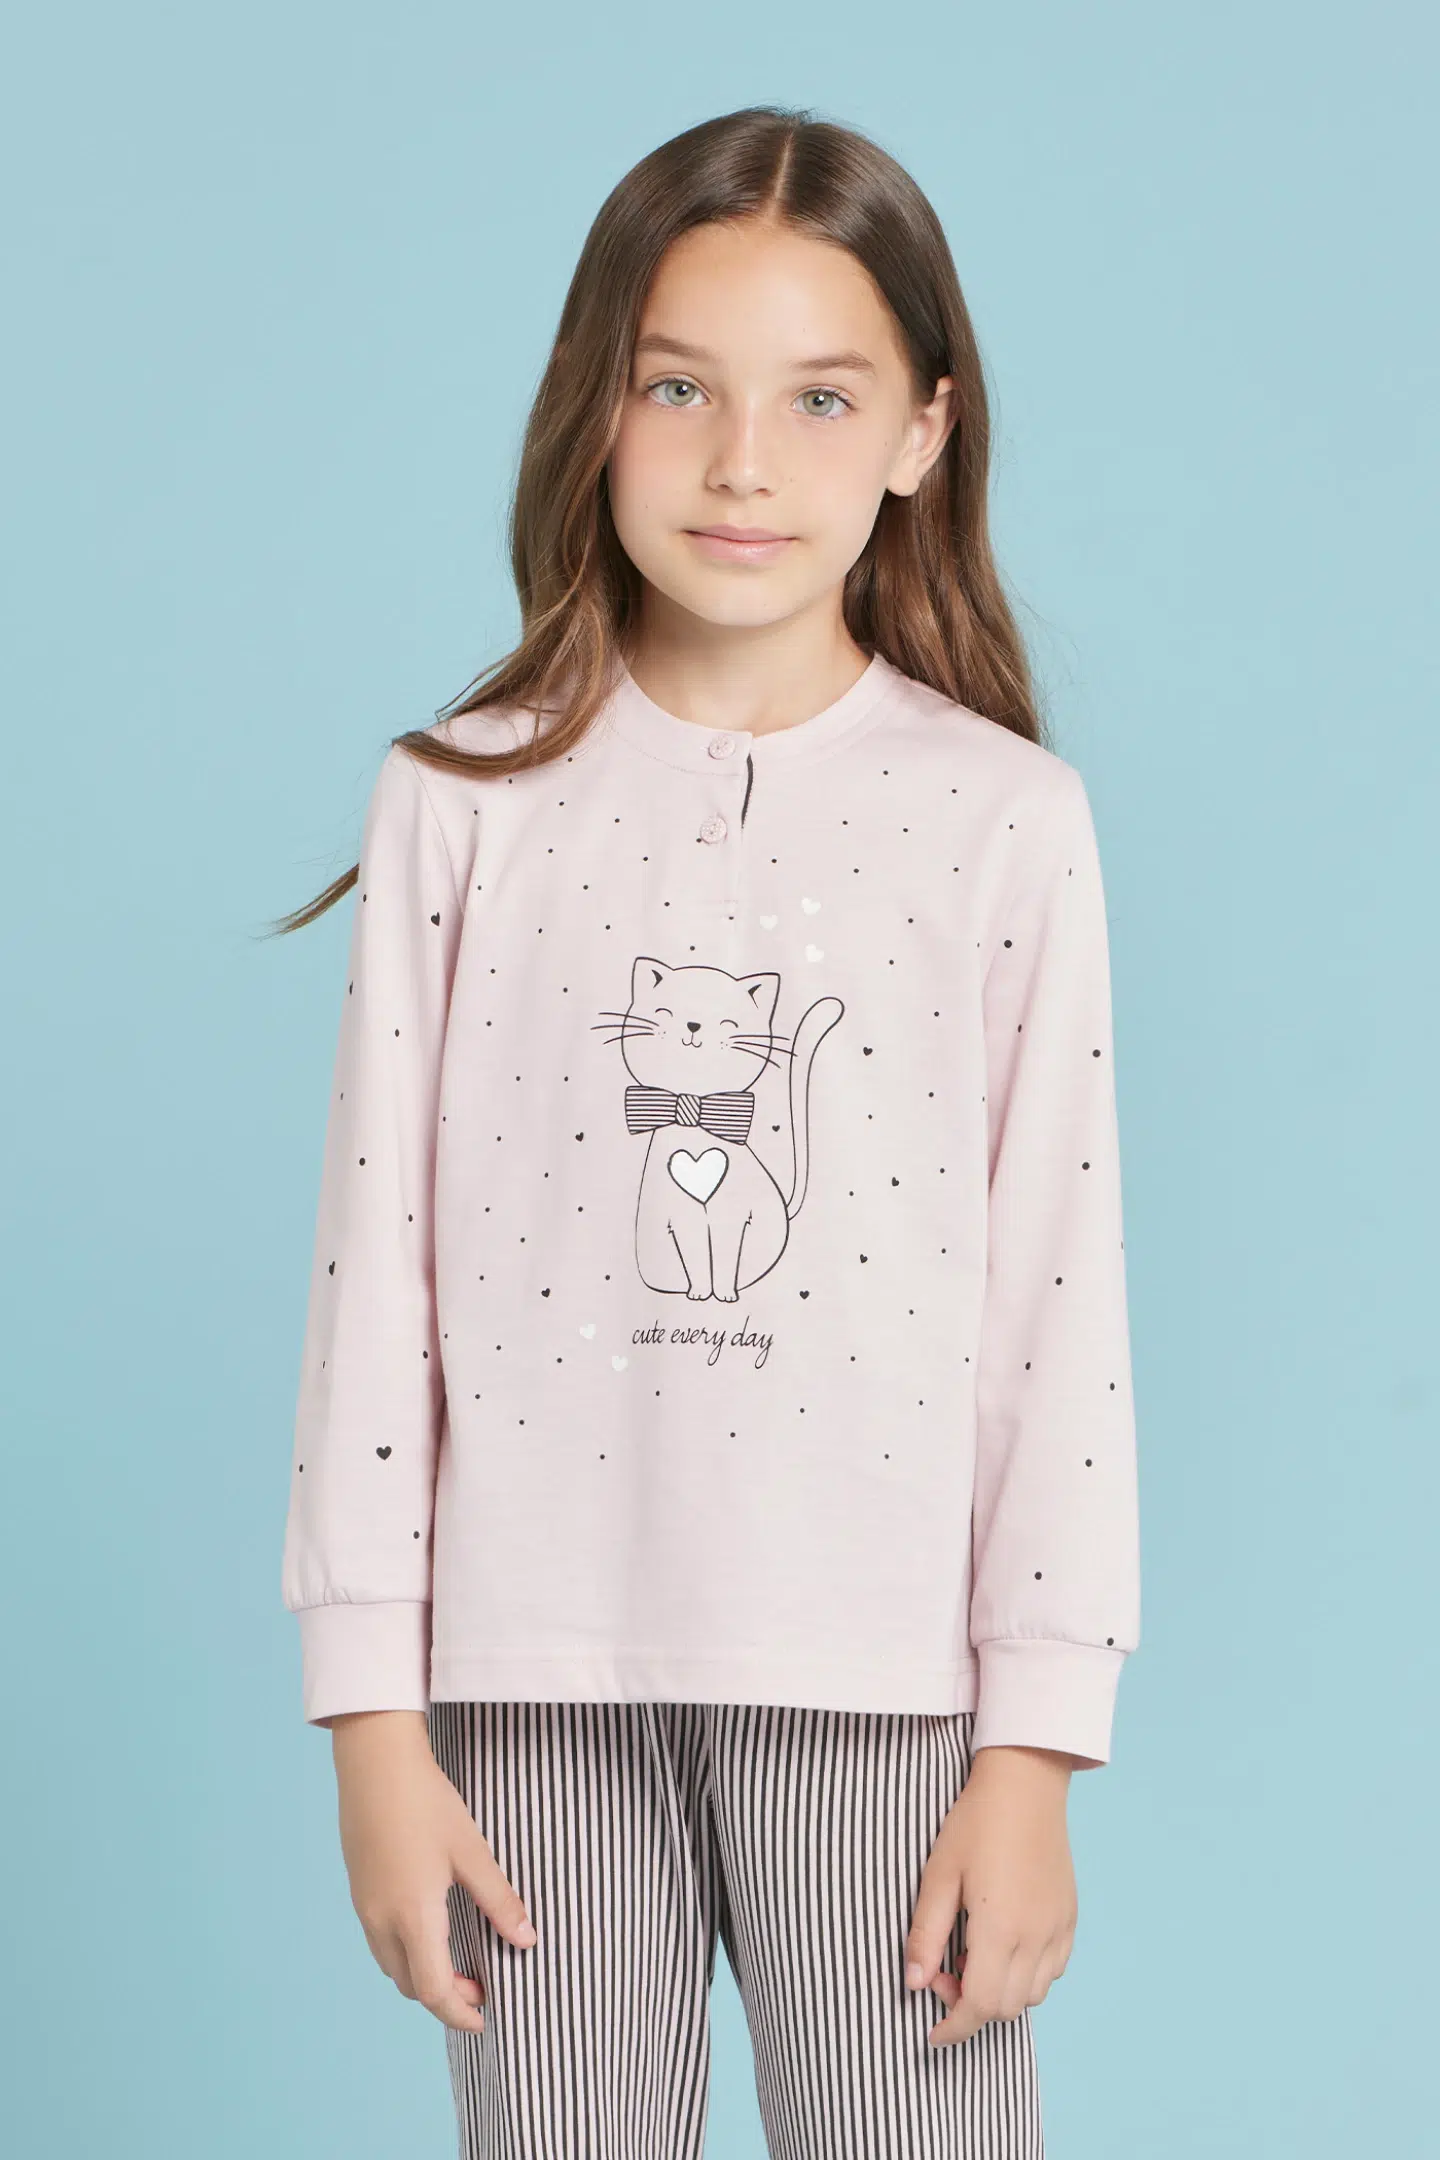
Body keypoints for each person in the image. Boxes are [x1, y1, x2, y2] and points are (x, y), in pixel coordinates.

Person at [273, 102, 1142, 2160]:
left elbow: (1059, 1308)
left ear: (921, 433)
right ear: (597, 404)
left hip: (889, 1694)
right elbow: (375, 1273)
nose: (744, 462)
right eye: (680, 388)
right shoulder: (460, 802)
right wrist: (371, 1723)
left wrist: (1036, 1749)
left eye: (819, 398)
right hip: (529, 1690)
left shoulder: (1004, 823)